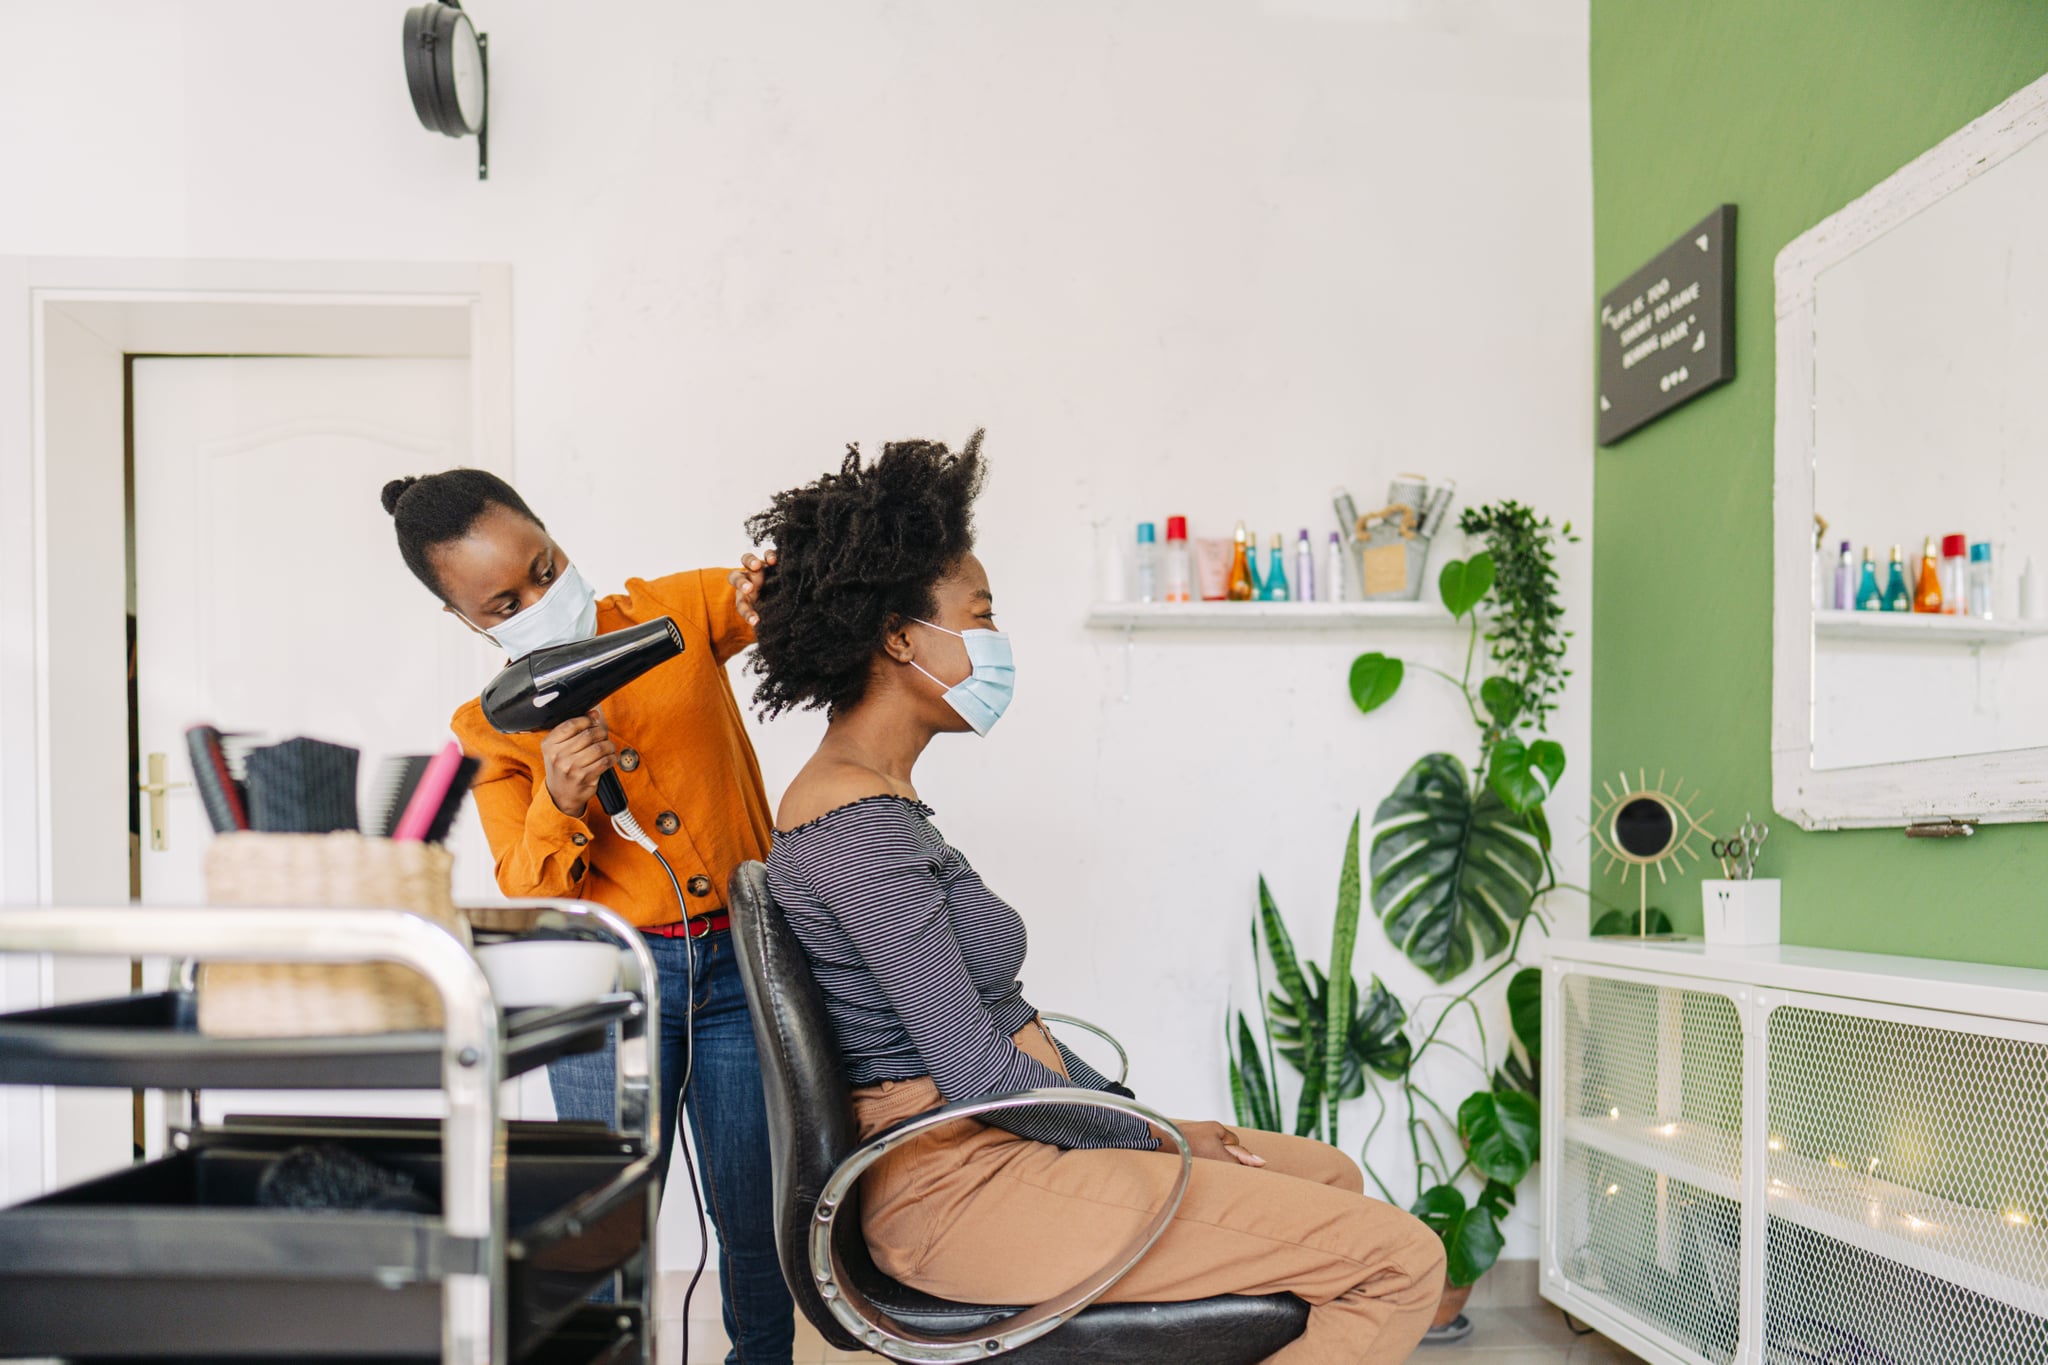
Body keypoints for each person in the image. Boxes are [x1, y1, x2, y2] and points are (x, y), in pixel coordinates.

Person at [737, 433, 1445, 1365]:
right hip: (955, 1189)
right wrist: (1146, 1134)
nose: (994, 641)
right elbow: (981, 1074)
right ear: (902, 637)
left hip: (994, 1144)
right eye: (980, 617)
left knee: (1327, 1170)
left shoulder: (883, 800)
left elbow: (1003, 1018)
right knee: (1402, 1261)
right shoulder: (857, 826)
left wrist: (1143, 1117)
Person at [381, 469, 794, 1364]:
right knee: (602, 1216)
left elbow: (755, 605)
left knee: (754, 1206)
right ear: (469, 621)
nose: (539, 598)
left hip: (743, 962)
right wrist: (559, 801)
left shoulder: (671, 611)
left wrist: (771, 590)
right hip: (610, 986)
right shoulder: (487, 730)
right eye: (504, 599)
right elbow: (527, 889)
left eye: (545, 566)